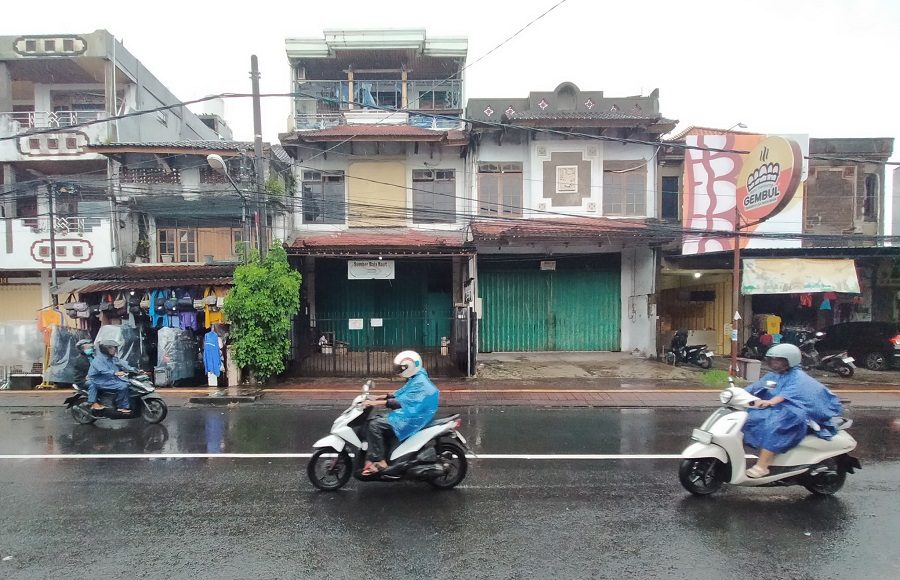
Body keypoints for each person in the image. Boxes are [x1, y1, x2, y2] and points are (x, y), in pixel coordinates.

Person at [742, 343, 843, 478]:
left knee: (774, 425)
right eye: (772, 359)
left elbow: (786, 395)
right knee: (748, 417)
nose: (774, 363)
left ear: (789, 360)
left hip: (795, 412)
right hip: (777, 409)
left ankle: (762, 466)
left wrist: (770, 401)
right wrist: (737, 394)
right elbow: (755, 387)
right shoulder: (773, 375)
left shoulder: (798, 377)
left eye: (778, 360)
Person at [361, 350, 440, 476]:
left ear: (409, 367)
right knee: (376, 419)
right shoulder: (417, 377)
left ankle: (380, 461)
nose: (398, 371)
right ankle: (381, 453)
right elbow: (399, 393)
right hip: (412, 414)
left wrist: (374, 403)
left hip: (411, 418)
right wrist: (377, 397)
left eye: (401, 368)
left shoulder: (419, 382)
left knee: (374, 425)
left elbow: (398, 402)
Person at [87, 339, 137, 414]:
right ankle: (121, 406)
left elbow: (123, 364)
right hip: (99, 380)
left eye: (115, 348)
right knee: (123, 386)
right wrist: (115, 373)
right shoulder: (98, 360)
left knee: (130, 384)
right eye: (112, 348)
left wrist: (136, 370)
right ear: (105, 349)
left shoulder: (113, 358)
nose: (115, 350)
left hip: (111, 379)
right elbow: (102, 370)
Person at [70, 339, 100, 410]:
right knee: (94, 384)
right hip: (82, 380)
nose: (90, 349)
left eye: (91, 347)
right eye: (88, 348)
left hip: (93, 378)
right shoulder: (80, 360)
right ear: (81, 349)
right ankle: (93, 403)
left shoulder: (93, 357)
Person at [204, 324, 225, 396]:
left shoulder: (206, 336)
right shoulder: (218, 338)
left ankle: (213, 384)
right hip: (217, 355)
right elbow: (221, 346)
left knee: (211, 369)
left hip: (208, 355)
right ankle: (220, 382)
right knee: (219, 367)